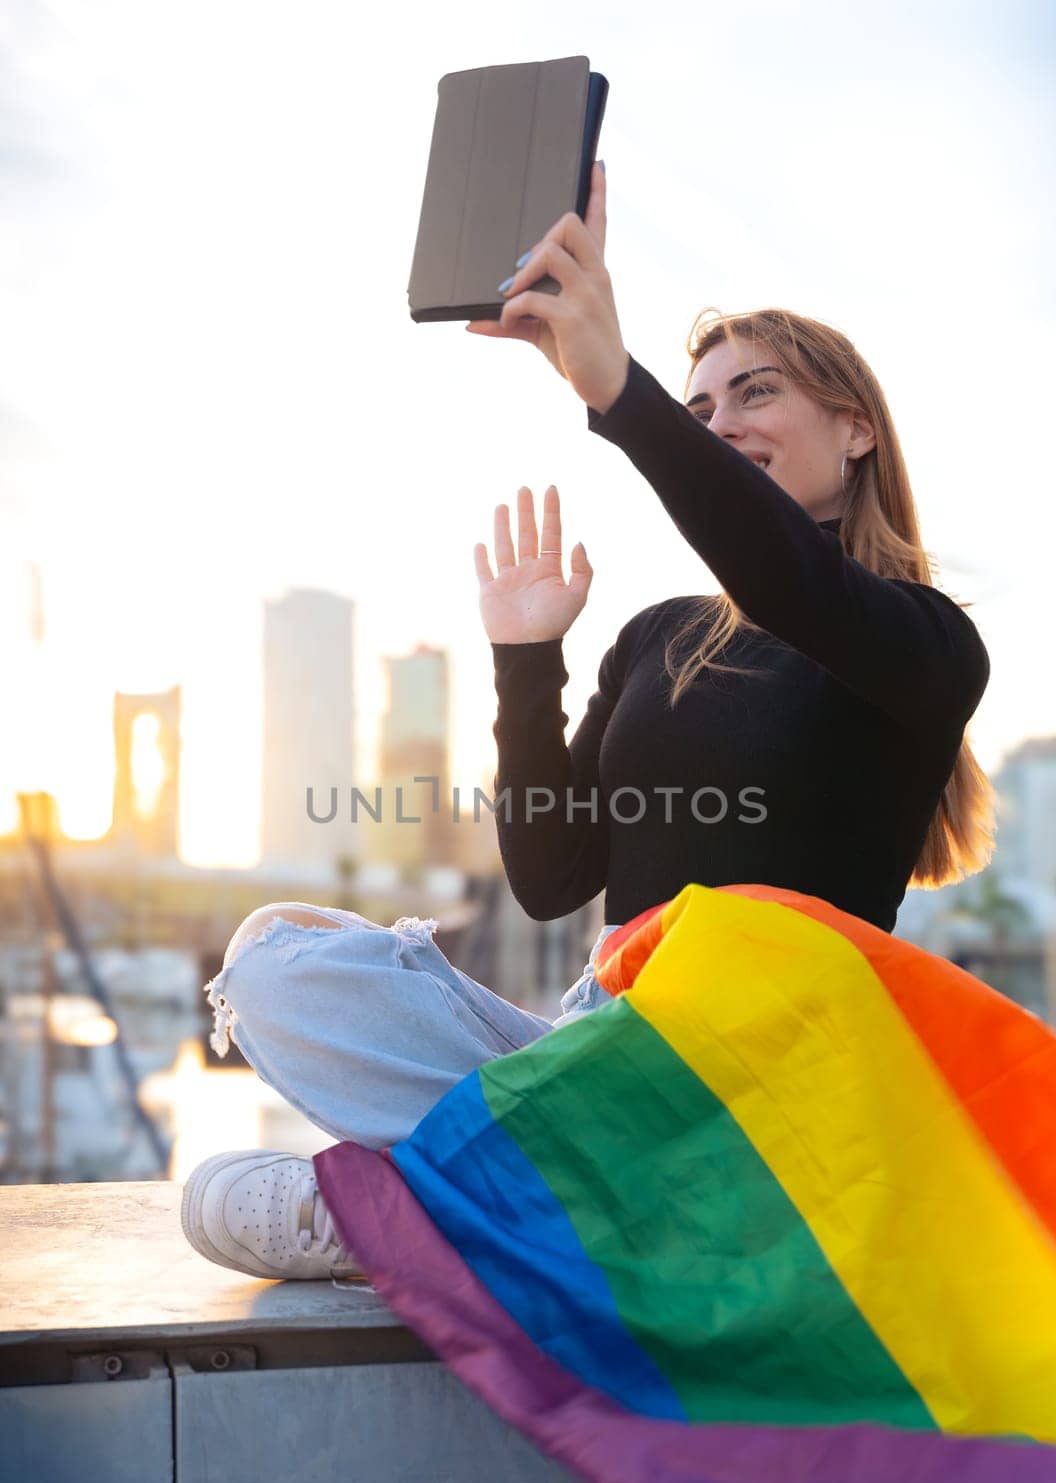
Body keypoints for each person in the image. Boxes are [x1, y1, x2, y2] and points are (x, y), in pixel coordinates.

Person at [180, 162, 994, 1281]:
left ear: (854, 432)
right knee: (276, 954)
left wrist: (624, 395)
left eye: (753, 393)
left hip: (751, 1098)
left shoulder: (922, 643)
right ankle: (515, 1191)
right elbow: (552, 873)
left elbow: (797, 584)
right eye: (700, 406)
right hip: (592, 1048)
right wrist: (526, 661)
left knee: (227, 1201)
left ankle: (431, 1203)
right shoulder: (659, 635)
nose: (718, 423)